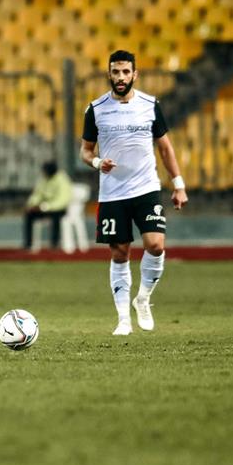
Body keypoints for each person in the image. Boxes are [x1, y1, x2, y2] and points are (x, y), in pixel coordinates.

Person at [80, 50, 188, 336]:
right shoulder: (96, 109)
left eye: (126, 72)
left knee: (156, 245)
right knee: (120, 253)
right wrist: (97, 162)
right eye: (116, 72)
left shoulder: (150, 105)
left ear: (134, 74)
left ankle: (143, 298)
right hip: (112, 193)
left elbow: (165, 148)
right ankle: (123, 320)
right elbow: (85, 151)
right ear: (109, 74)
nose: (120, 77)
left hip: (146, 188)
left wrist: (178, 184)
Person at [23, 160, 72, 250]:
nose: (43, 173)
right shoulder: (44, 179)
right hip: (44, 208)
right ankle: (28, 244)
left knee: (56, 216)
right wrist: (32, 204)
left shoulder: (62, 179)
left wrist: (45, 207)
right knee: (29, 214)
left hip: (59, 209)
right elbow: (37, 194)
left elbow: (62, 200)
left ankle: (54, 244)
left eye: (45, 171)